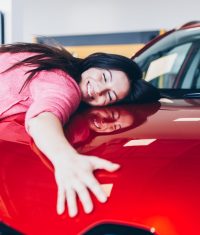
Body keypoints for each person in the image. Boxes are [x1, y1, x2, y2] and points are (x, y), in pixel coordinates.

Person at [0, 42, 160, 218]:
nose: (99, 90)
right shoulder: (65, 86)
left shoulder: (47, 57)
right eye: (105, 77)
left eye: (109, 95)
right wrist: (66, 159)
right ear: (97, 63)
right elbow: (43, 117)